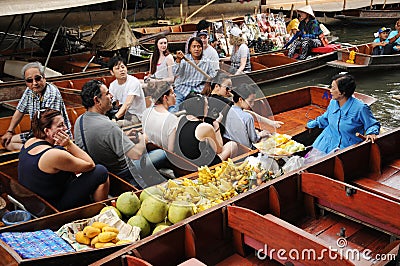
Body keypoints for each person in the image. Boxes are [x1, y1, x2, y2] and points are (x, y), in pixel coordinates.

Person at [18, 108, 109, 211]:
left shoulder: (29, 142)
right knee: (100, 171)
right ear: (47, 131)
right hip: (52, 208)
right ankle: (99, 211)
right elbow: (90, 164)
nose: (66, 128)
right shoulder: (53, 155)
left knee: (61, 150)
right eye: (60, 125)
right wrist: (69, 144)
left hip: (37, 201)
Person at [74, 80, 148, 187]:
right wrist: (143, 139)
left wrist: (123, 137)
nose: (111, 96)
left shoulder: (79, 121)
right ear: (97, 100)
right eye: (107, 94)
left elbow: (101, 142)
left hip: (101, 174)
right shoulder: (109, 126)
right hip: (122, 175)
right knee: (161, 154)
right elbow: (136, 154)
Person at [1, 62, 71, 151]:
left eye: (38, 78)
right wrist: (9, 131)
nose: (34, 83)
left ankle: (35, 150)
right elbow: (20, 110)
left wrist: (34, 142)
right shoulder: (29, 90)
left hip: (54, 135)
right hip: (36, 132)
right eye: (29, 80)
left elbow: (50, 125)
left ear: (44, 77)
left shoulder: (52, 93)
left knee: (28, 147)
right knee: (8, 143)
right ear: (26, 82)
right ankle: (31, 150)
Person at [306, 73, 380, 156]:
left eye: (333, 88)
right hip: (326, 141)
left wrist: (371, 133)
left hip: (347, 145)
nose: (330, 90)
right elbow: (326, 117)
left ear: (343, 92)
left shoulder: (361, 108)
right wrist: (312, 124)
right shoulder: (333, 102)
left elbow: (372, 124)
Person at [174, 93, 237, 167]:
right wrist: (216, 125)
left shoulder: (181, 118)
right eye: (207, 105)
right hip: (200, 167)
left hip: (182, 162)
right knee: (232, 145)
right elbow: (219, 150)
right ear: (200, 108)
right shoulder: (204, 127)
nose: (208, 107)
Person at [171, 37, 217, 112]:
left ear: (202, 48)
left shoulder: (207, 61)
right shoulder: (184, 60)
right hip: (182, 89)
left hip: (198, 89)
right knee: (174, 109)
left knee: (201, 110)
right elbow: (175, 72)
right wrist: (178, 60)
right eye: (194, 46)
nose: (196, 49)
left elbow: (212, 75)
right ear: (189, 49)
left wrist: (208, 83)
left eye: (199, 46)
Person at [224, 84, 270, 149]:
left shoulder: (226, 111)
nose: (253, 104)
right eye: (250, 101)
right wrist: (260, 134)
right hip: (247, 150)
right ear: (240, 99)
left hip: (232, 146)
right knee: (268, 137)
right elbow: (254, 139)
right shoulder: (247, 117)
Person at [108, 56, 146, 125]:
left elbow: (127, 104)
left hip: (136, 116)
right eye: (117, 68)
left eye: (123, 67)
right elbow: (114, 103)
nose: (121, 70)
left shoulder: (134, 82)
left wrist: (115, 117)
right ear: (112, 72)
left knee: (115, 125)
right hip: (122, 114)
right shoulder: (112, 85)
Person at [142, 81, 178, 152]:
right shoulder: (172, 119)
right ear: (165, 98)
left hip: (148, 153)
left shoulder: (146, 113)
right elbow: (171, 151)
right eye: (172, 93)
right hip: (163, 158)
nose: (175, 95)